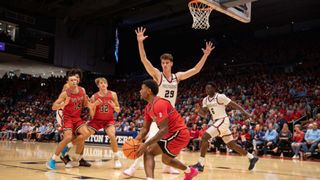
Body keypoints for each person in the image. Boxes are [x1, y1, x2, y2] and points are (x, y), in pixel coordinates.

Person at [124, 26, 214, 176]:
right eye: (163, 63)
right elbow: (144, 60)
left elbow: (196, 70)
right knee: (150, 142)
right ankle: (133, 167)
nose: (165, 65)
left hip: (170, 115)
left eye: (167, 62)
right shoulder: (158, 76)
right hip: (158, 115)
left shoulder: (177, 77)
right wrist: (140, 42)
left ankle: (167, 166)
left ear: (171, 63)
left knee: (173, 140)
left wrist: (206, 55)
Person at [135, 79, 198, 180]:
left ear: (149, 91)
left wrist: (145, 144)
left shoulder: (160, 103)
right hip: (173, 134)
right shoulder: (148, 108)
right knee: (166, 160)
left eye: (142, 89)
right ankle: (190, 171)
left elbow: (164, 129)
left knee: (148, 152)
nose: (140, 91)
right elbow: (145, 128)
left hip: (178, 133)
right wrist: (135, 141)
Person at [192, 82, 259, 172]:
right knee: (232, 145)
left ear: (214, 89)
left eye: (209, 88)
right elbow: (204, 114)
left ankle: (201, 164)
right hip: (217, 122)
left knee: (205, 137)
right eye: (206, 88)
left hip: (223, 120)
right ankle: (251, 157)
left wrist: (245, 113)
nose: (207, 90)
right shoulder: (205, 100)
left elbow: (234, 104)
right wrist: (198, 111)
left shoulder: (220, 97)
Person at [46, 69, 93, 170]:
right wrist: (64, 104)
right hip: (66, 117)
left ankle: (69, 150)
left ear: (78, 80)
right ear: (68, 81)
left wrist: (89, 102)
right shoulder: (65, 92)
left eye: (76, 79)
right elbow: (54, 106)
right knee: (68, 137)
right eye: (72, 79)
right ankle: (53, 160)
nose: (74, 81)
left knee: (86, 134)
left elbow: (84, 104)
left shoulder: (82, 90)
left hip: (77, 117)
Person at [85, 77, 122, 168]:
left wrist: (114, 107)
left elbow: (118, 110)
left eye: (105, 83)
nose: (103, 84)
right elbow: (92, 115)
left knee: (112, 135)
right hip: (97, 120)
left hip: (108, 120)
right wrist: (92, 106)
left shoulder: (113, 94)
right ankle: (77, 157)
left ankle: (116, 159)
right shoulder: (94, 97)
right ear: (98, 85)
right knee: (83, 135)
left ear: (107, 84)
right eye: (101, 83)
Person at [58, 69, 91, 167]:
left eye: (78, 77)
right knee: (70, 137)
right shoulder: (67, 86)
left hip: (76, 114)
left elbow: (83, 104)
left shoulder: (81, 89)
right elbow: (64, 102)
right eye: (74, 77)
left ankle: (79, 158)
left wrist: (87, 100)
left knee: (82, 136)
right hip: (64, 113)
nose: (76, 79)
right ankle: (63, 155)